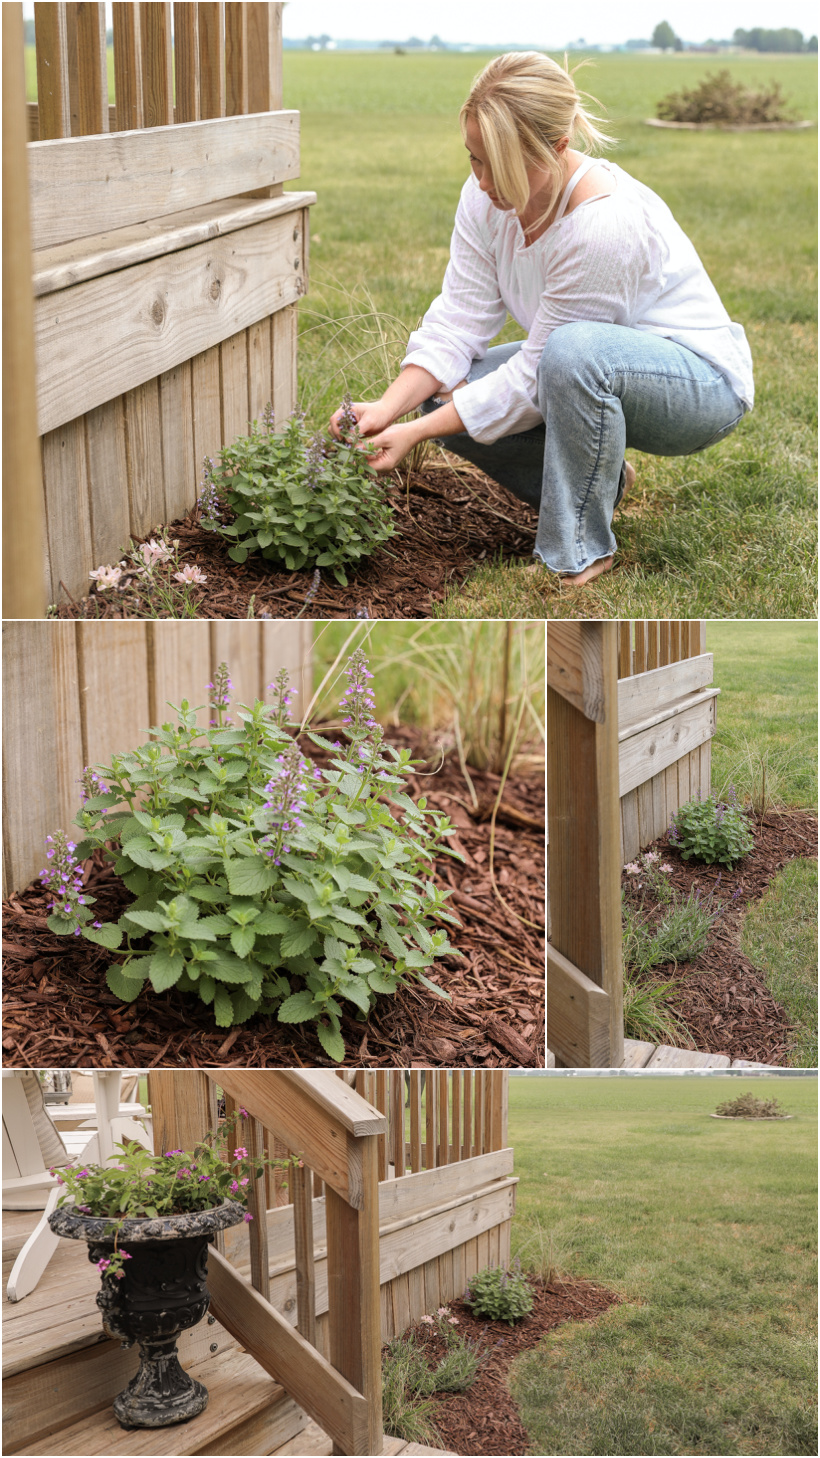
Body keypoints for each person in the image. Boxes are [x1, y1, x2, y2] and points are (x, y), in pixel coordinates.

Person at [329, 51, 754, 585]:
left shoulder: (602, 224)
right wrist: (390, 410)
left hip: (699, 386)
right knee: (446, 392)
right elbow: (458, 320)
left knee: (570, 354)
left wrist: (416, 434)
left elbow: (539, 372)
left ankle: (578, 550)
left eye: (501, 165)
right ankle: (604, 480)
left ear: (558, 148)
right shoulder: (487, 199)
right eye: (474, 158)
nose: (483, 182)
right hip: (580, 366)